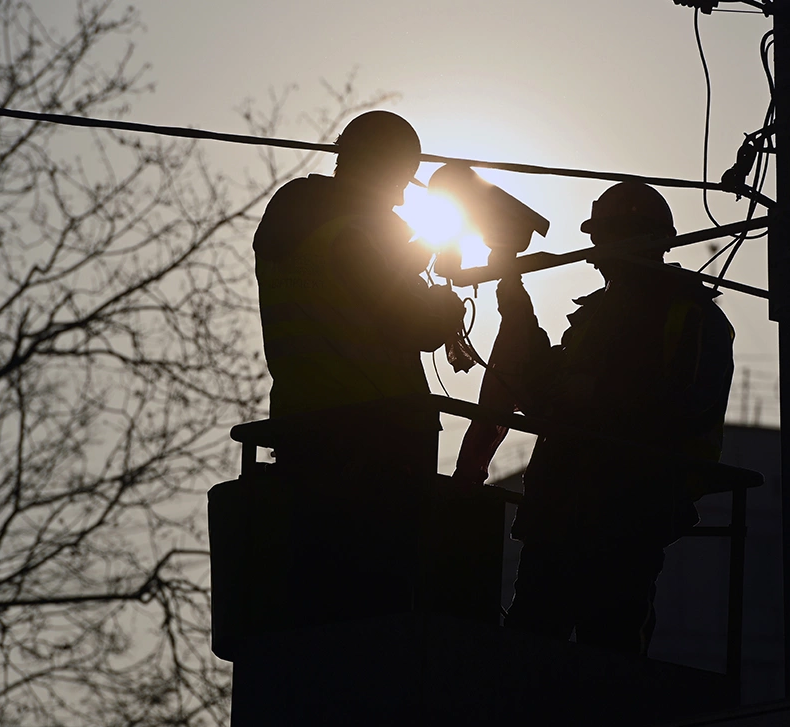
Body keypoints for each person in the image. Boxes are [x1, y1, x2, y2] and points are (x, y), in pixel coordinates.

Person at [463, 182, 734, 656]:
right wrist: (513, 295)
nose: (595, 256)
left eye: (605, 240)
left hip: (626, 515)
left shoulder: (690, 318)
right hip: (561, 510)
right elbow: (544, 386)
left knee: (607, 658)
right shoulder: (597, 319)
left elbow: (683, 412)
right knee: (531, 648)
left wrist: (589, 401)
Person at [252, 110, 465, 623]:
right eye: (398, 182)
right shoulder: (356, 231)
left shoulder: (296, 216)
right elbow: (411, 320)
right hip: (375, 437)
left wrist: (412, 254)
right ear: (386, 170)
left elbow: (348, 284)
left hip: (305, 426)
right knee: (377, 608)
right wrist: (444, 307)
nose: (399, 198)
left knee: (312, 606)